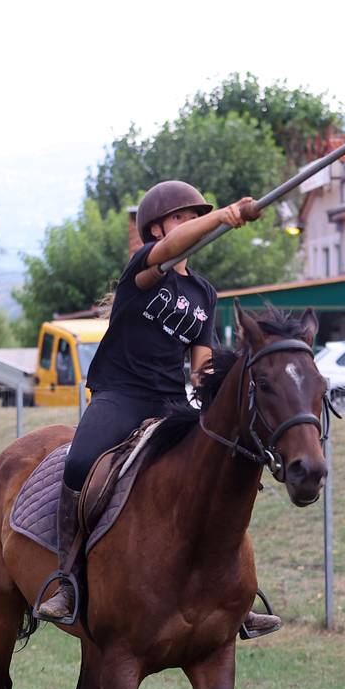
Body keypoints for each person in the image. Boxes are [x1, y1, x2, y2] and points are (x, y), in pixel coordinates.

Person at [36, 180, 281, 638]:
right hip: (122, 394)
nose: (190, 224)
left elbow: (201, 364)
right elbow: (169, 249)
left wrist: (218, 393)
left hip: (171, 403)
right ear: (156, 229)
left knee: (215, 475)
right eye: (181, 218)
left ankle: (235, 596)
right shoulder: (144, 270)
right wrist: (226, 214)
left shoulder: (205, 294)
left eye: (195, 216)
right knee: (81, 461)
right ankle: (67, 580)